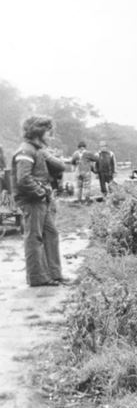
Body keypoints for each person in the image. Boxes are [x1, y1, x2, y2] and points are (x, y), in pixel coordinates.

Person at [12, 116, 64, 287]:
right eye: (48, 132)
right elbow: (23, 179)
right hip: (33, 200)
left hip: (41, 199)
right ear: (39, 132)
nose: (50, 136)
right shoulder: (26, 151)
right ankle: (38, 277)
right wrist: (40, 193)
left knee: (51, 233)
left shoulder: (37, 149)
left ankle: (54, 274)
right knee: (34, 238)